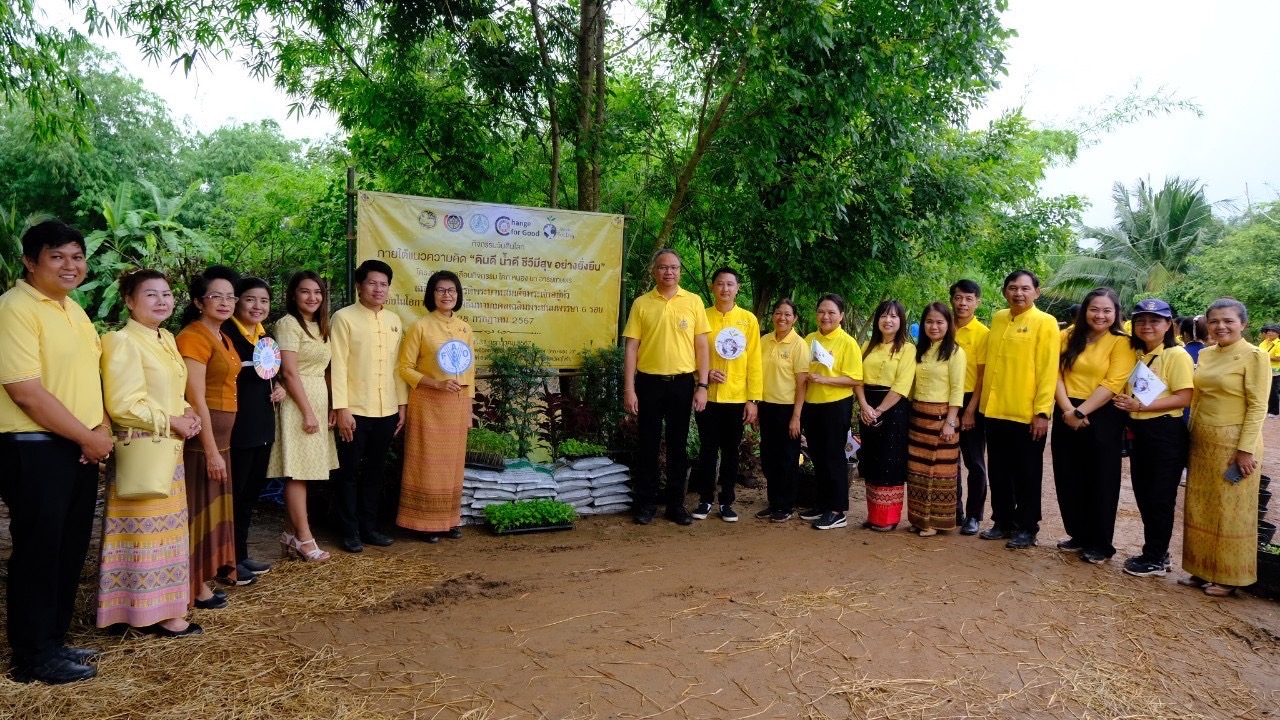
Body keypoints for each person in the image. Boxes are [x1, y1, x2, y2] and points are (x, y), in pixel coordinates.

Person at [0, 220, 113, 683]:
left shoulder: (75, 310)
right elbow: (25, 390)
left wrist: (100, 426)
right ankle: (32, 656)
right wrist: (87, 437)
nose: (71, 265)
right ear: (30, 262)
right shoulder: (14, 308)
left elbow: (90, 378)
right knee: (39, 550)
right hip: (35, 446)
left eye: (77, 256)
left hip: (77, 447)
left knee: (68, 549)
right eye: (57, 256)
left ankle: (55, 640)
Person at [97, 269, 203, 638]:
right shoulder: (122, 340)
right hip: (143, 447)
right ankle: (143, 614)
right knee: (143, 534)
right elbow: (123, 404)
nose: (162, 301)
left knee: (164, 533)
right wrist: (172, 419)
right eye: (151, 295)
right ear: (129, 301)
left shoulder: (165, 337)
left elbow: (172, 388)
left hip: (167, 447)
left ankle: (157, 609)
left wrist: (187, 412)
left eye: (167, 294)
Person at [1179, 298, 1270, 597]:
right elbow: (1198, 398)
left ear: (1243, 324)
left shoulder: (1254, 356)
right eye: (1214, 321)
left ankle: (1229, 577)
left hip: (1234, 441)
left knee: (1230, 510)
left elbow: (1258, 406)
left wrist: (1245, 449)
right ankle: (1199, 568)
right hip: (1203, 438)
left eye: (1228, 321)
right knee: (1200, 506)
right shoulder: (1205, 354)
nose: (1221, 326)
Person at [622, 248, 711, 526]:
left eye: (673, 267)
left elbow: (701, 346)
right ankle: (646, 503)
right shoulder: (642, 303)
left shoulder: (693, 302)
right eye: (663, 267)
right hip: (649, 383)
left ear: (680, 272)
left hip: (682, 383)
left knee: (678, 445)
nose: (668, 272)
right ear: (654, 271)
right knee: (647, 444)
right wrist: (629, 388)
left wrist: (702, 385)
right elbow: (632, 347)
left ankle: (675, 504)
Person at [1051, 288, 1135, 564]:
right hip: (1066, 410)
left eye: (1106, 311)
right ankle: (1078, 533)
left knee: (1101, 478)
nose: (1100, 315)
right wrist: (1067, 410)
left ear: (1116, 314)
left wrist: (1080, 411)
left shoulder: (1121, 342)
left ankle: (1100, 543)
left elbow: (1112, 383)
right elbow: (1055, 375)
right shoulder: (1066, 336)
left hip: (1102, 413)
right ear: (1085, 310)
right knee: (1068, 475)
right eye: (1094, 309)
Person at [330, 259, 408, 552]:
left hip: (387, 410)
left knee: (375, 472)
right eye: (372, 283)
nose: (378, 289)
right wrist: (342, 408)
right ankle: (349, 531)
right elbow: (337, 365)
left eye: (383, 284)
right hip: (355, 411)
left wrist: (401, 405)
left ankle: (369, 527)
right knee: (348, 472)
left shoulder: (394, 321)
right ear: (359, 286)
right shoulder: (344, 318)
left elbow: (397, 367)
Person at [1111, 299, 1193, 577]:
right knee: (1144, 494)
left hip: (1165, 433)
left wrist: (1140, 407)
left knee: (1159, 497)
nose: (1147, 326)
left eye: (1155, 320)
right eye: (1141, 320)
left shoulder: (1176, 355)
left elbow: (1184, 396)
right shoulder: (1138, 354)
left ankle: (1155, 558)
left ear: (1169, 324)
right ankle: (1158, 552)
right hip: (1141, 433)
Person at [979, 270, 1060, 550]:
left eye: (1025, 288)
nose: (1018, 293)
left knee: (1027, 473)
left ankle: (1027, 527)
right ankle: (1002, 521)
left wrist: (1042, 412)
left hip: (1026, 413)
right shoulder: (999, 318)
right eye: (1013, 288)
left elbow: (1049, 370)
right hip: (995, 409)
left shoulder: (1045, 323)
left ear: (1037, 292)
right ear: (1004, 292)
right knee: (998, 471)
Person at [176, 265, 242, 605]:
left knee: (214, 510)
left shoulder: (224, 336)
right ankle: (193, 588)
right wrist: (212, 450)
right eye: (216, 296)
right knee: (197, 511)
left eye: (231, 296)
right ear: (199, 301)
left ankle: (204, 578)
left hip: (222, 441)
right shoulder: (192, 337)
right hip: (203, 444)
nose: (225, 302)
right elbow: (195, 396)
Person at [396, 270, 475, 541]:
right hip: (428, 402)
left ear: (458, 294)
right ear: (431, 294)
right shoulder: (420, 326)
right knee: (427, 463)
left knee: (452, 464)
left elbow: (469, 373)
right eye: (440, 290)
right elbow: (404, 368)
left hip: (455, 404)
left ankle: (449, 520)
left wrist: (469, 409)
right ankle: (422, 523)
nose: (447, 295)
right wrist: (435, 384)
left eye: (451, 290)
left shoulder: (465, 329)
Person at [268, 271, 339, 561]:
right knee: (297, 473)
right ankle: (306, 539)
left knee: (307, 473)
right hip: (299, 403)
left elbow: (326, 369)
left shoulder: (320, 326)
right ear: (293, 295)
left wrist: (331, 405)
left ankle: (290, 533)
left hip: (318, 398)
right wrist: (308, 411)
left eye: (318, 292)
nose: (312, 298)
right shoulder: (288, 324)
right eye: (305, 292)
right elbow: (288, 372)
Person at [224, 277, 286, 583]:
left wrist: (281, 390)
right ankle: (228, 560)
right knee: (233, 497)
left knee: (249, 496)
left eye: (263, 301)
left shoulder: (266, 338)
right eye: (250, 299)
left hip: (263, 425)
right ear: (237, 301)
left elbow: (274, 375)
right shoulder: (226, 335)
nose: (257, 306)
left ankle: (241, 554)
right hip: (237, 428)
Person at [692, 267, 761, 523]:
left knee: (731, 452)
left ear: (737, 288)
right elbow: (692, 354)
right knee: (708, 451)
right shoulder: (702, 317)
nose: (725, 289)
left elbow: (754, 362)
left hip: (736, 398)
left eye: (730, 284)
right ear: (713, 287)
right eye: (720, 284)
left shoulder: (748, 320)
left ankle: (727, 501)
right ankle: (705, 499)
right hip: (707, 397)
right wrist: (704, 374)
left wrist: (753, 400)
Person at [800, 294, 863, 530]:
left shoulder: (847, 343)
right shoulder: (809, 339)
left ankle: (837, 510)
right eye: (821, 312)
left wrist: (825, 380)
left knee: (833, 456)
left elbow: (855, 378)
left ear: (841, 316)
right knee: (816, 455)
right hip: (812, 405)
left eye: (831, 313)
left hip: (835, 406)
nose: (825, 317)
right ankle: (822, 504)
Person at [854, 300, 916, 531]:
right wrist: (864, 406)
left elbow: (902, 385)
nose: (888, 320)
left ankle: (888, 518)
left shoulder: (908, 349)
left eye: (893, 316)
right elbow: (856, 378)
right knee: (871, 459)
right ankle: (873, 515)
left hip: (894, 411)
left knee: (890, 462)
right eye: (883, 316)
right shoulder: (866, 348)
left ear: (901, 321)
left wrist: (879, 410)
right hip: (867, 408)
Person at [906, 302, 965, 536]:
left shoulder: (955, 352)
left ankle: (935, 522)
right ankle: (919, 520)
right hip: (918, 418)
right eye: (929, 321)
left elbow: (957, 389)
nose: (934, 326)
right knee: (918, 471)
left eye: (939, 322)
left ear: (948, 324)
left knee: (939, 473)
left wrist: (950, 421)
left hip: (942, 419)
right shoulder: (920, 350)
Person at [755, 299, 809, 522]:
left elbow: (802, 384)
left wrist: (796, 416)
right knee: (768, 457)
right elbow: (756, 374)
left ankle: (786, 505)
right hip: (766, 406)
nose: (782, 318)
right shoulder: (764, 340)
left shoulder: (799, 345)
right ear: (772, 316)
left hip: (788, 409)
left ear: (795, 318)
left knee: (787, 458)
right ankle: (773, 501)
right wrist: (756, 405)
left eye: (787, 314)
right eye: (778, 313)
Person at [950, 279, 989, 535]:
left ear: (977, 302)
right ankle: (954, 511)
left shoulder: (983, 334)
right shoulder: (943, 327)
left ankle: (974, 516)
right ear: (952, 299)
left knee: (974, 462)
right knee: (948, 463)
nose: (963, 303)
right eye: (958, 297)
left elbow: (983, 377)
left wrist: (970, 410)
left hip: (970, 401)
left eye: (968, 298)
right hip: (944, 400)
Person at [1258, 324, 1280, 417]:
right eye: (1269, 331)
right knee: (1264, 390)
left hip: (1275, 371)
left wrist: (1266, 355)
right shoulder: (1264, 342)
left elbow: (1278, 358)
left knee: (1273, 391)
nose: (1270, 333)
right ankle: (1266, 409)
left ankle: (1274, 411)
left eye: (1273, 331)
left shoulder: (1278, 344)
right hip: (1263, 369)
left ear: (1278, 334)